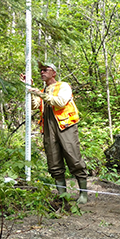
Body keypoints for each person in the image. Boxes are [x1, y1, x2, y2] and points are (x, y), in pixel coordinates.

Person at [23, 62, 90, 205]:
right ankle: (62, 195)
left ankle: (83, 193)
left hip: (65, 126)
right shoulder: (43, 89)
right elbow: (34, 106)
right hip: (48, 127)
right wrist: (29, 87)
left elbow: (60, 102)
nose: (42, 72)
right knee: (53, 160)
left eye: (45, 70)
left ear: (53, 72)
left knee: (74, 157)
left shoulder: (63, 86)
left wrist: (39, 93)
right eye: (40, 70)